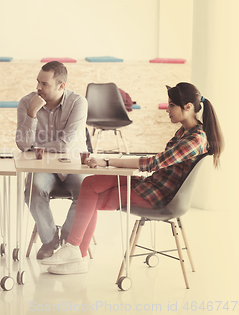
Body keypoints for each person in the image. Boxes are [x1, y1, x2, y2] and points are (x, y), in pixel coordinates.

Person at [41, 82, 224, 275]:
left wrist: (106, 161)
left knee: (90, 195)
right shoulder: (184, 132)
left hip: (159, 196)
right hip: (151, 185)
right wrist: (107, 163)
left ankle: (75, 252)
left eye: (171, 105)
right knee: (90, 184)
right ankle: (76, 253)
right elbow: (156, 165)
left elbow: (154, 163)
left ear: (187, 107)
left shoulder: (196, 139)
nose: (167, 109)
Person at [15, 61, 89, 259]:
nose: (38, 87)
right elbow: (23, 145)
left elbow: (66, 145)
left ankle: (67, 238)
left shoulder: (78, 102)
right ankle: (49, 240)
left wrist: (37, 148)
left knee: (87, 192)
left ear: (61, 86)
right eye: (38, 82)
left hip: (72, 164)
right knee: (33, 189)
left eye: (44, 84)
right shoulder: (27, 103)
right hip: (44, 167)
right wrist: (31, 114)